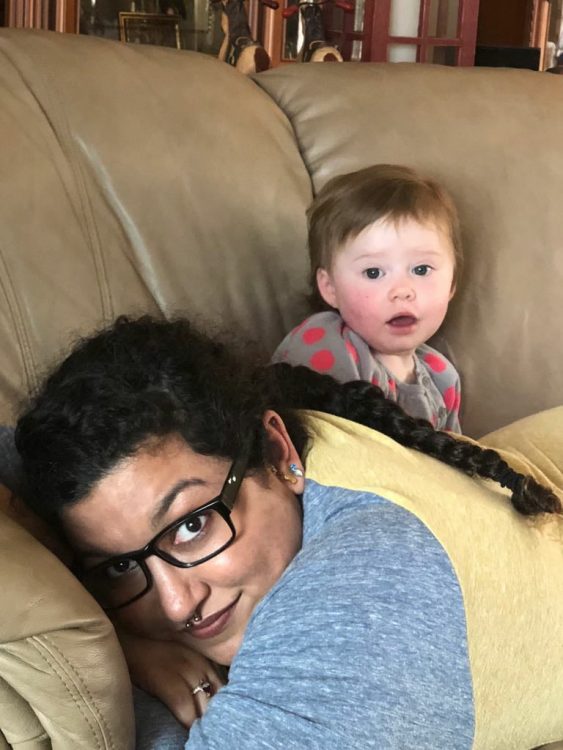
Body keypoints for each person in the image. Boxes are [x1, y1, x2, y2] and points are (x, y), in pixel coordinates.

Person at [14, 316, 563, 749]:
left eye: (192, 525)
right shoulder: (300, 439)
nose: (178, 604)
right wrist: (122, 644)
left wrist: (106, 667)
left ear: (278, 452)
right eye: (120, 566)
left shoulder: (360, 610)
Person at [273, 164, 463, 432]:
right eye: (373, 272)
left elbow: (457, 461)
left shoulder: (441, 377)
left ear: (452, 283)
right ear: (330, 288)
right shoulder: (324, 342)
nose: (402, 290)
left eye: (421, 269)